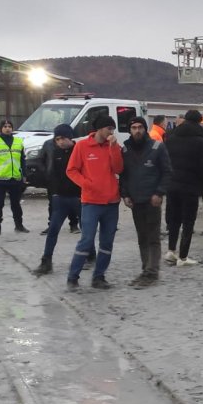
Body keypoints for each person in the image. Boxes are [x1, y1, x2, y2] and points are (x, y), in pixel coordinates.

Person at [65, 115, 124, 290]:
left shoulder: (114, 146)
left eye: (113, 129)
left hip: (111, 202)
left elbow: (119, 168)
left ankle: (99, 277)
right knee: (86, 240)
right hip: (91, 202)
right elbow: (72, 170)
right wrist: (86, 184)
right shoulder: (82, 146)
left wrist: (113, 147)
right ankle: (73, 277)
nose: (111, 132)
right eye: (109, 129)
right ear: (99, 129)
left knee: (107, 242)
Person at [120, 116, 172, 287]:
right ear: (130, 130)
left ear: (145, 129)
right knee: (142, 237)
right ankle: (145, 269)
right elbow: (124, 175)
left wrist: (159, 192)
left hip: (152, 200)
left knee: (153, 237)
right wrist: (125, 195)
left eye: (140, 127)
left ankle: (152, 272)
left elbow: (167, 172)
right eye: (133, 127)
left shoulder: (157, 147)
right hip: (135, 201)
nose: (137, 131)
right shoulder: (126, 150)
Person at [31, 124, 84, 276]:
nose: (60, 142)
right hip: (60, 198)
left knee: (86, 229)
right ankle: (46, 261)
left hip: (78, 197)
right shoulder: (56, 152)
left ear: (70, 137)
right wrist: (53, 193)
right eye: (57, 139)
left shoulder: (79, 151)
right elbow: (53, 174)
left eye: (63, 138)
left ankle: (90, 255)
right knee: (53, 230)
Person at [163, 110, 203, 266]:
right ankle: (183, 257)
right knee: (188, 222)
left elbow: (164, 161)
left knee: (174, 219)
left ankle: (171, 251)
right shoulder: (200, 142)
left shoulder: (170, 137)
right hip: (190, 187)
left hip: (172, 185)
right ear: (199, 122)